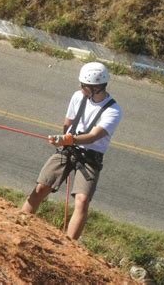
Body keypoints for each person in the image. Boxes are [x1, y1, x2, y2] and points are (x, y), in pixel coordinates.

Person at [21, 62, 122, 240]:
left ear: (96, 87)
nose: (81, 88)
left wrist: (67, 139)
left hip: (90, 155)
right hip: (68, 148)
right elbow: (68, 123)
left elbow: (92, 136)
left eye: (84, 85)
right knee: (41, 186)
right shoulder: (78, 97)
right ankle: (19, 223)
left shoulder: (113, 110)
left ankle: (70, 244)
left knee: (82, 201)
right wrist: (63, 139)